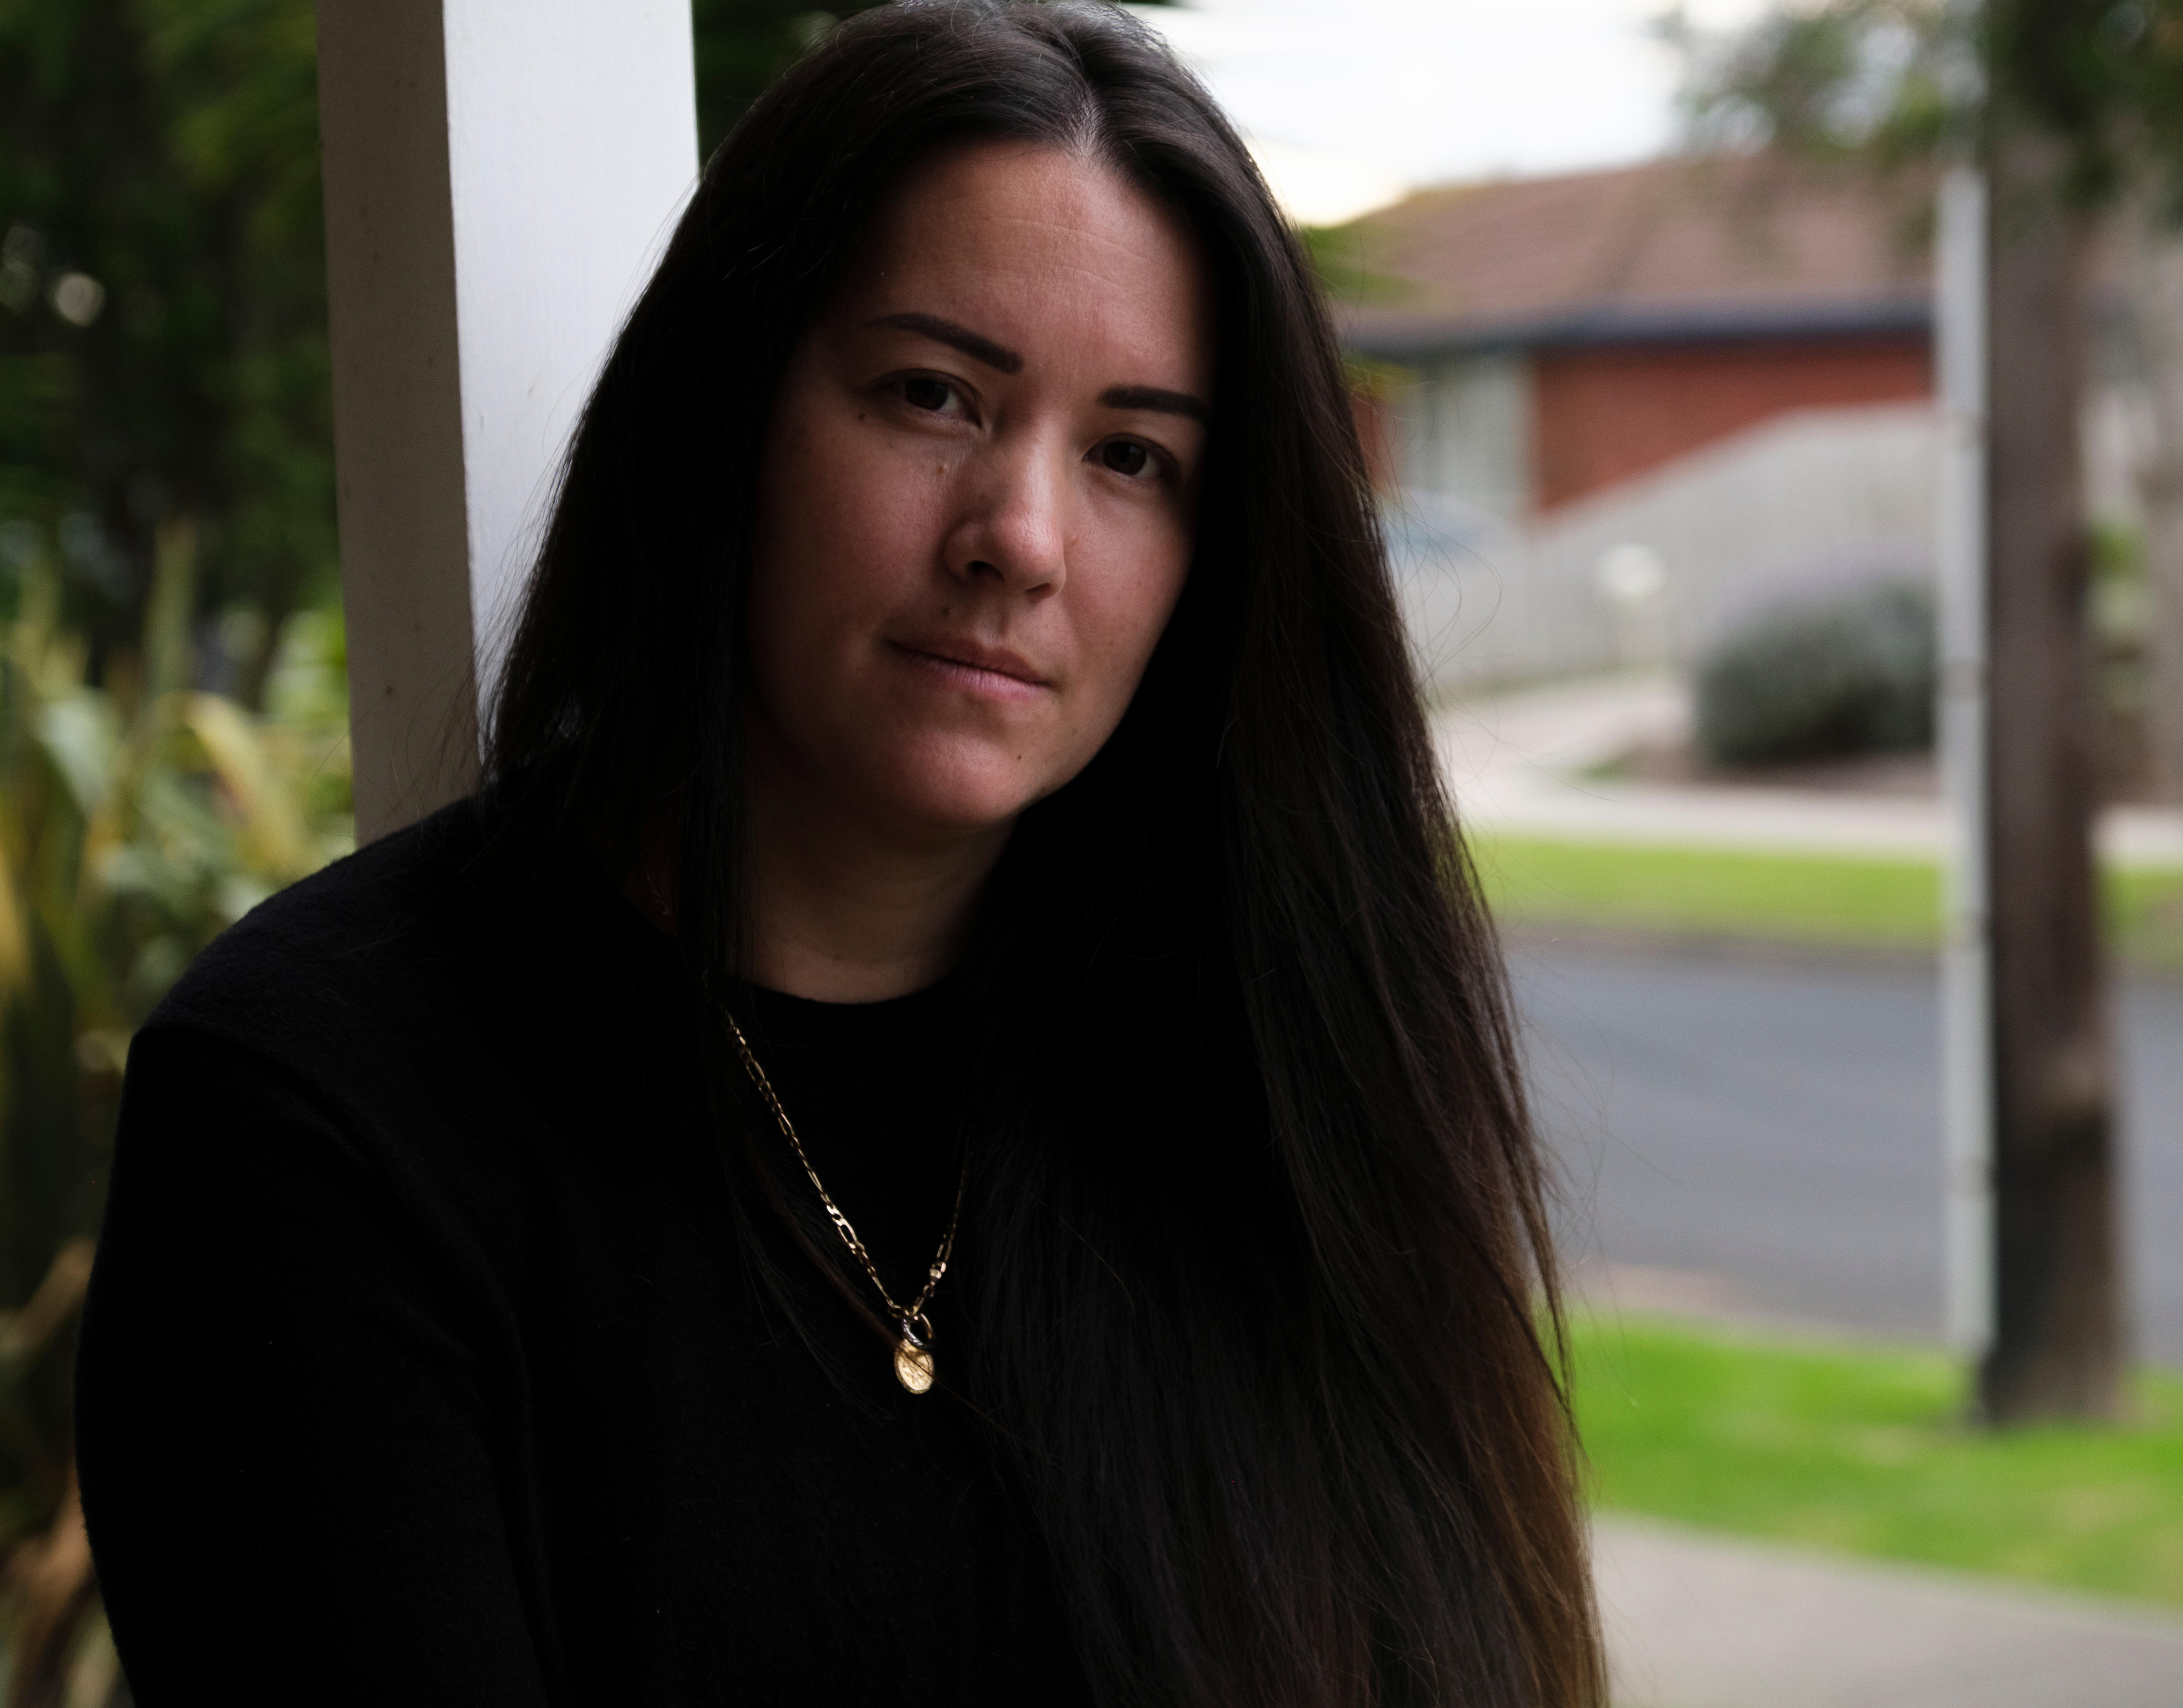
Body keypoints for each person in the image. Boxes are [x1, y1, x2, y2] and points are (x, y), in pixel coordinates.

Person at [75, 4, 1602, 1703]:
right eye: (932, 394)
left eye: (1131, 457)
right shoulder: (318, 1107)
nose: (1017, 538)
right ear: (725, 411)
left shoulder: (1257, 1073)